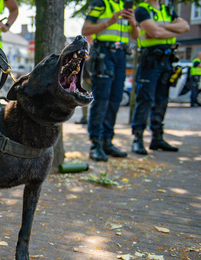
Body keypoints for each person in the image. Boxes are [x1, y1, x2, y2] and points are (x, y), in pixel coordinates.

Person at [81, 0, 139, 162]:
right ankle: (96, 144)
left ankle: (107, 141)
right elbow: (85, 29)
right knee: (102, 99)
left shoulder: (126, 6)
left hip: (121, 55)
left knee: (115, 99)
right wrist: (110, 21)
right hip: (104, 53)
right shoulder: (101, 3)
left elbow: (136, 36)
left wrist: (133, 23)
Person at [130, 0, 189, 155]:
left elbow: (186, 27)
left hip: (167, 60)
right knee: (145, 99)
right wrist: (175, 30)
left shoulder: (167, 9)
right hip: (150, 60)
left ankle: (157, 138)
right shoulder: (142, 10)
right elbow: (155, 33)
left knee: (162, 100)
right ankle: (138, 139)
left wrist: (162, 27)